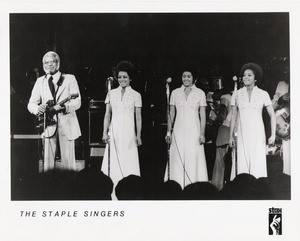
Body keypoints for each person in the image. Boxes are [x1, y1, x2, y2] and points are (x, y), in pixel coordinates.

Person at [27, 51, 81, 172]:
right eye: (45, 63)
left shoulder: (69, 78)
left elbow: (77, 101)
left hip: (67, 123)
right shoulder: (40, 81)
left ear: (58, 64)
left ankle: (69, 188)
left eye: (51, 62)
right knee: (48, 164)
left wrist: (64, 107)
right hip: (48, 124)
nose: (48, 65)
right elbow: (31, 104)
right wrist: (38, 108)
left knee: (68, 163)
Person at [102, 61, 142, 200]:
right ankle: (111, 194)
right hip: (114, 132)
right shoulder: (111, 93)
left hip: (129, 133)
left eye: (125, 77)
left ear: (130, 78)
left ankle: (130, 193)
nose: (122, 80)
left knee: (128, 160)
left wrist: (138, 135)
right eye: (119, 77)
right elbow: (107, 115)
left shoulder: (136, 95)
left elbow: (138, 117)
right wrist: (104, 133)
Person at [229, 63, 276, 179]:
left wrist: (273, 135)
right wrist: (230, 136)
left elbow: (272, 115)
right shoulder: (237, 93)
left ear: (255, 79)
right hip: (242, 133)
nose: (246, 77)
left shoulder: (263, 94)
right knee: (242, 164)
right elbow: (233, 116)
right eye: (244, 75)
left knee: (257, 163)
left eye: (249, 75)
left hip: (257, 134)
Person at [165, 67, 208, 189]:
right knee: (177, 158)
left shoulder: (200, 93)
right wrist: (168, 131)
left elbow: (203, 115)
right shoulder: (174, 92)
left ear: (193, 78)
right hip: (178, 130)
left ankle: (193, 186)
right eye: (184, 76)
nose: (186, 78)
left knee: (193, 156)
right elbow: (171, 114)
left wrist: (202, 134)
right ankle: (176, 186)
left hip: (194, 130)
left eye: (189, 76)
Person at [211, 87, 233, 190]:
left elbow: (222, 115)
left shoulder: (224, 98)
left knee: (220, 162)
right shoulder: (234, 97)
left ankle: (217, 187)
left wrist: (214, 121)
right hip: (232, 130)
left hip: (224, 130)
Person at [272, 70, 290, 175]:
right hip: (286, 126)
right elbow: (272, 106)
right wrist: (280, 99)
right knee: (288, 155)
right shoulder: (281, 84)